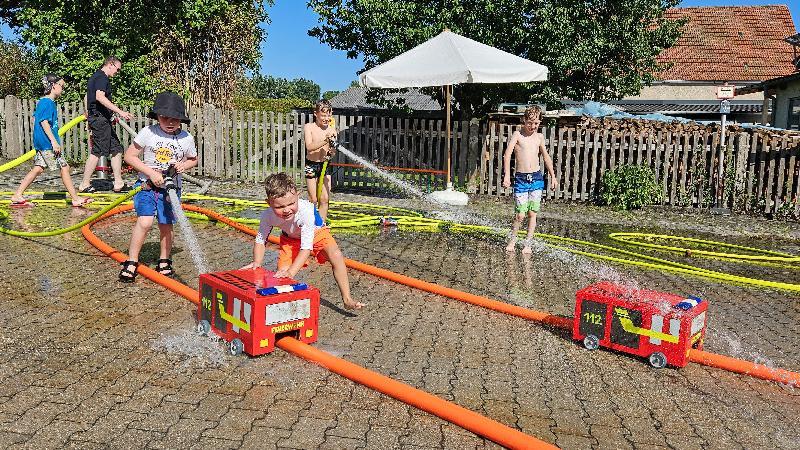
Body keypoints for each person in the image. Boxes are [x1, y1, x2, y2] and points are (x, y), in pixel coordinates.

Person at [241, 172, 365, 310]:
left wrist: (292, 273)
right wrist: (257, 262)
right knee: (282, 272)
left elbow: (306, 248)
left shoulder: (306, 210)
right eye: (279, 207)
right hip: (290, 239)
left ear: (298, 196)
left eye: (291, 203)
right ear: (268, 203)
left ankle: (347, 299)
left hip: (317, 233)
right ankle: (282, 306)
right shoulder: (267, 215)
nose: (287, 210)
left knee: (336, 255)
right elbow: (260, 239)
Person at [118, 92, 197, 282]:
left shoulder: (186, 138)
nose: (170, 122)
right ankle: (132, 260)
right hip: (146, 186)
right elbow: (129, 156)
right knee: (145, 222)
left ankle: (164, 259)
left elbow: (193, 160)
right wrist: (151, 173)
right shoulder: (148, 133)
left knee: (166, 225)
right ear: (157, 117)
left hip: (171, 189)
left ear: (181, 119)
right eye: (164, 117)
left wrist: (183, 165)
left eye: (175, 119)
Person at [10, 74, 93, 208]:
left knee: (38, 169)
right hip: (47, 144)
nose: (63, 89)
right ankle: (75, 199)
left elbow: (36, 119)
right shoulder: (47, 102)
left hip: (42, 143)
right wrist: (54, 142)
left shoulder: (43, 102)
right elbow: (44, 122)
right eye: (62, 86)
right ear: (53, 86)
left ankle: (17, 194)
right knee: (64, 168)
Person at [502, 106, 558, 254]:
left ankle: (528, 244)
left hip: (536, 179)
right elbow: (507, 155)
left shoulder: (539, 137)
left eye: (536, 123)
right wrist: (507, 175)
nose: (533, 126)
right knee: (520, 214)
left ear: (540, 122)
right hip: (521, 179)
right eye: (530, 123)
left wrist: (553, 176)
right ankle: (513, 240)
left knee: (532, 213)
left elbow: (546, 157)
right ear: (524, 120)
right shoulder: (517, 135)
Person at [78, 56, 133, 194]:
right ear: (110, 64)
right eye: (117, 69)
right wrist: (120, 112)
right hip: (99, 119)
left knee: (116, 149)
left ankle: (118, 183)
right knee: (97, 151)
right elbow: (99, 97)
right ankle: (84, 184)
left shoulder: (96, 77)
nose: (117, 72)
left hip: (102, 118)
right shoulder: (102, 77)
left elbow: (89, 98)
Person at [302, 99, 337, 221]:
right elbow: (309, 147)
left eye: (328, 115)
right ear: (315, 114)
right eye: (323, 115)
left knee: (325, 198)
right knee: (313, 199)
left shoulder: (332, 130)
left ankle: (320, 225)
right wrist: (325, 140)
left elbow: (333, 150)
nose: (326, 118)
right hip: (310, 165)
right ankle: (309, 222)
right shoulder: (309, 127)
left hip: (325, 166)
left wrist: (331, 153)